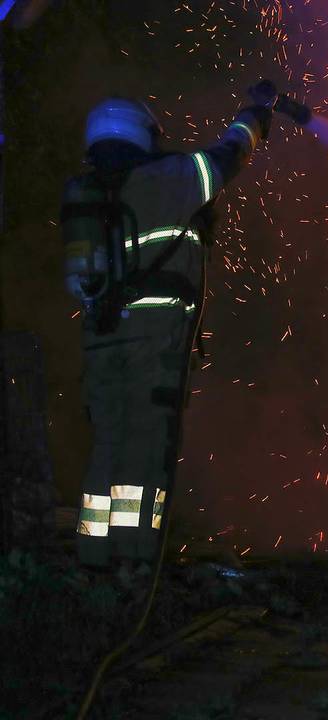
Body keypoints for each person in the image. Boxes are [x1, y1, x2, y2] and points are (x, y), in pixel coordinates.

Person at [64, 81, 278, 567]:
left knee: (108, 444)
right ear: (142, 134)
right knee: (146, 450)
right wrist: (255, 115)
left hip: (100, 339)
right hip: (153, 341)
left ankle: (94, 560)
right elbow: (227, 156)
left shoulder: (89, 194)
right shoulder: (169, 177)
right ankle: (137, 565)